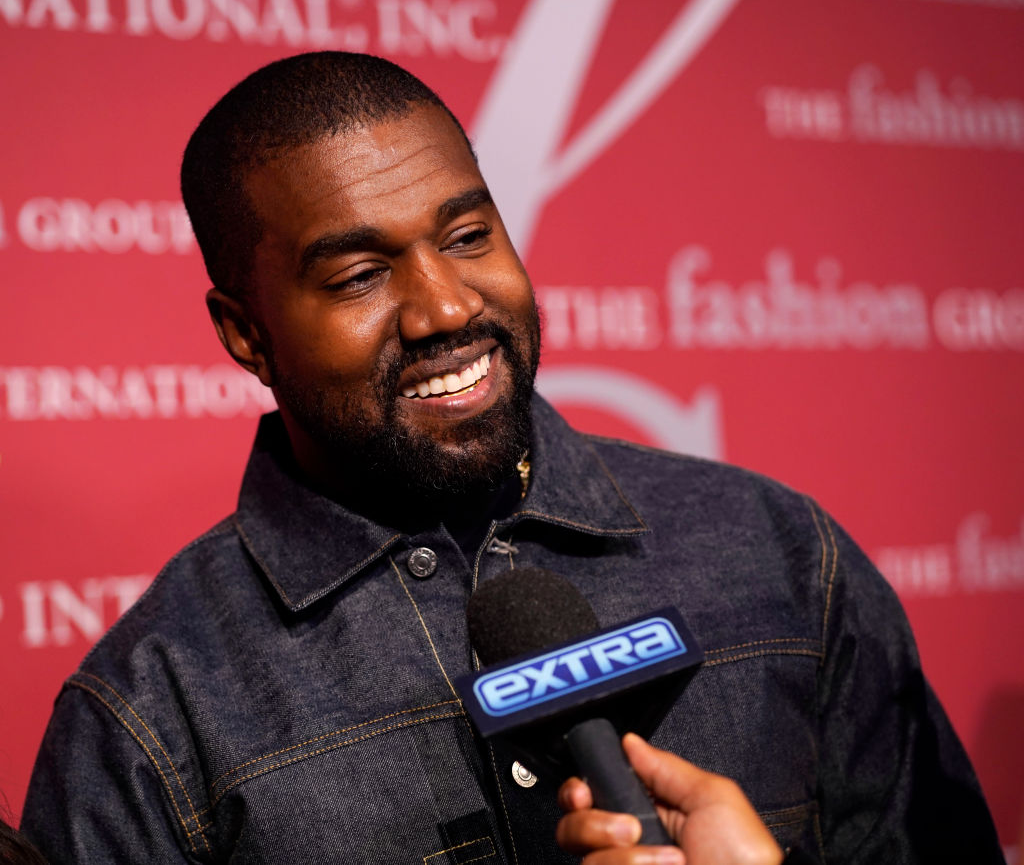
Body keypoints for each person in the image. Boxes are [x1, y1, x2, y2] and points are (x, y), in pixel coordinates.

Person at [21, 52, 1003, 864]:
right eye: (363, 274)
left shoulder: (781, 554)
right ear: (245, 334)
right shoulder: (156, 707)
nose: (447, 306)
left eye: (468, 234)